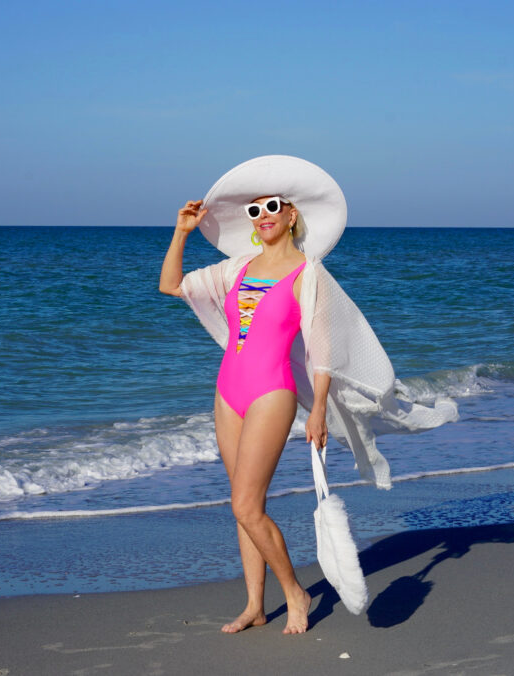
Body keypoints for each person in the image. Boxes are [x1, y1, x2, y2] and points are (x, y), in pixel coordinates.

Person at [159, 156, 457, 635]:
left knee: (246, 506)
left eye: (272, 206)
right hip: (227, 390)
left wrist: (317, 409)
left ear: (292, 214)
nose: (264, 216)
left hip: (270, 392)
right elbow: (170, 284)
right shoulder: (236, 269)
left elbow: (322, 352)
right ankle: (255, 605)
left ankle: (295, 592)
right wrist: (182, 232)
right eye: (255, 211)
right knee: (241, 503)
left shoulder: (308, 273)